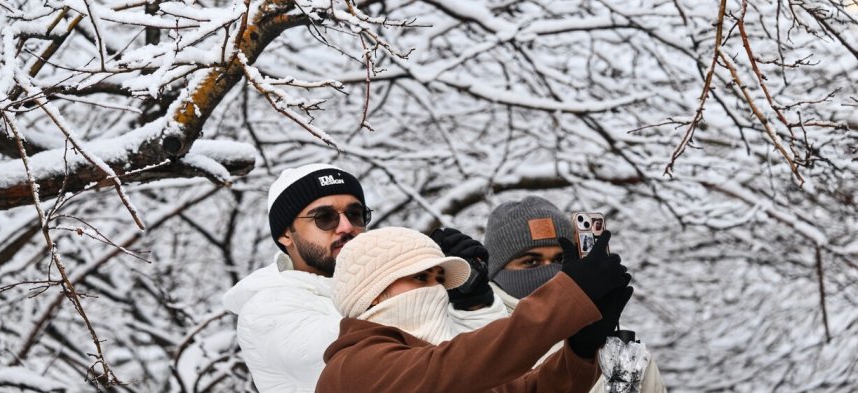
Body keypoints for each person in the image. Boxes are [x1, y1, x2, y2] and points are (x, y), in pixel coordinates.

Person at [221, 163, 506, 393]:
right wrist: (416, 278)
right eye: (324, 217)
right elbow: (377, 354)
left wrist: (471, 299)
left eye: (356, 214)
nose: (346, 227)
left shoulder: (390, 288)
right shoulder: (266, 309)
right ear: (285, 234)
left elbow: (490, 364)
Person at [316, 226, 633, 393]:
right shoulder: (354, 367)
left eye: (440, 279)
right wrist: (569, 295)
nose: (437, 290)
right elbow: (461, 362)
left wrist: (580, 347)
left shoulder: (427, 364)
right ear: (373, 293)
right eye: (420, 277)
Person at [484, 195, 668, 393]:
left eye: (561, 259)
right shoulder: (479, 339)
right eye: (531, 262)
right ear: (497, 271)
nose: (549, 271)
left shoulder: (620, 347)